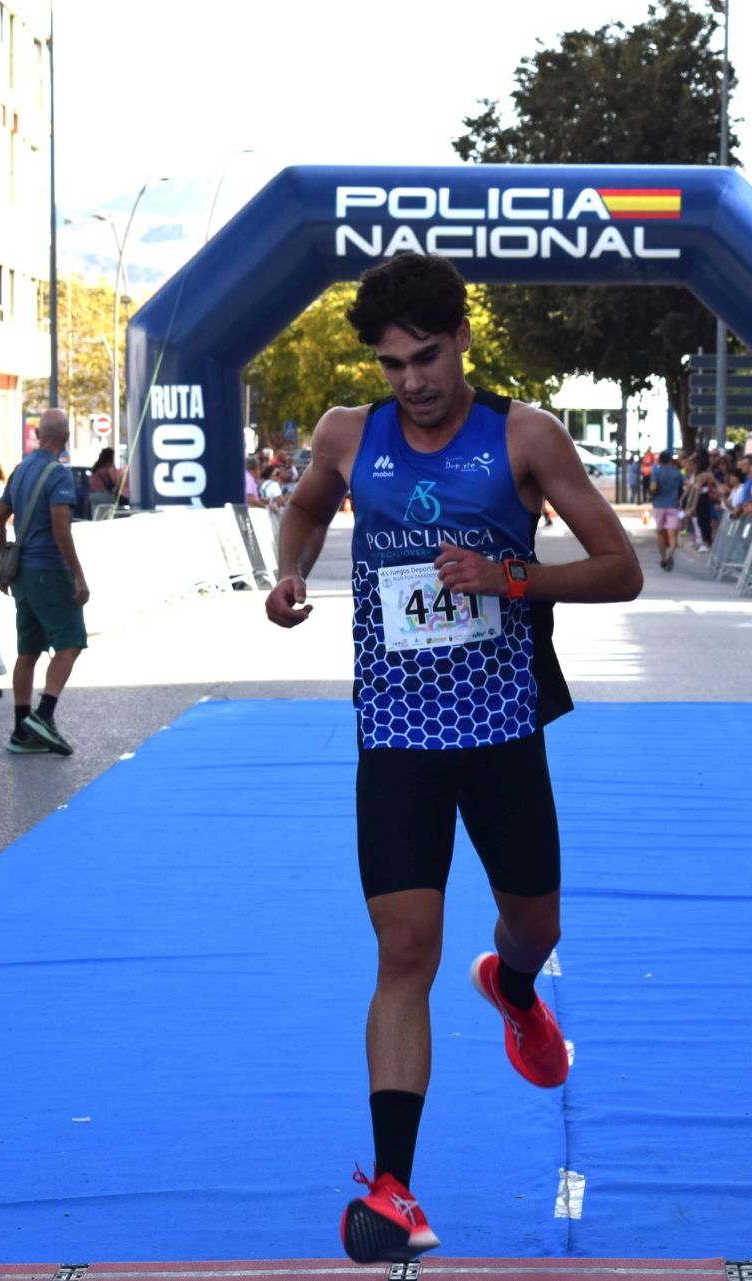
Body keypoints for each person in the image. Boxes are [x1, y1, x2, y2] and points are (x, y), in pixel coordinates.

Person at [259, 253, 639, 1263]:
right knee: (403, 952)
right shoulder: (351, 437)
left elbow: (622, 567)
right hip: (395, 736)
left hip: (501, 730)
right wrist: (290, 572)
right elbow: (301, 508)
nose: (413, 382)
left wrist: (512, 577)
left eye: (427, 357)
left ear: (464, 338)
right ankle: (393, 1191)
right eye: (392, 365)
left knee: (532, 924)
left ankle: (513, 988)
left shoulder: (524, 437)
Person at [0, 409, 88, 755]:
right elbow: (60, 526)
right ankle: (43, 716)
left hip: (24, 574)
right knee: (71, 641)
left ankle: (21, 730)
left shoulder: (20, 470)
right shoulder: (58, 475)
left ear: (38, 435)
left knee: (28, 651)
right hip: (51, 569)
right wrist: (77, 572)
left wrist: (5, 559)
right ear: (64, 440)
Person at [648, 449, 685, 571]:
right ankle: (672, 554)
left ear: (659, 461)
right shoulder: (677, 473)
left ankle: (663, 559)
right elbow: (689, 485)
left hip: (659, 505)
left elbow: (653, 487)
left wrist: (651, 493)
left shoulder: (656, 472)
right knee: (672, 533)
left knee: (660, 533)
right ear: (670, 460)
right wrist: (682, 498)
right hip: (673, 505)